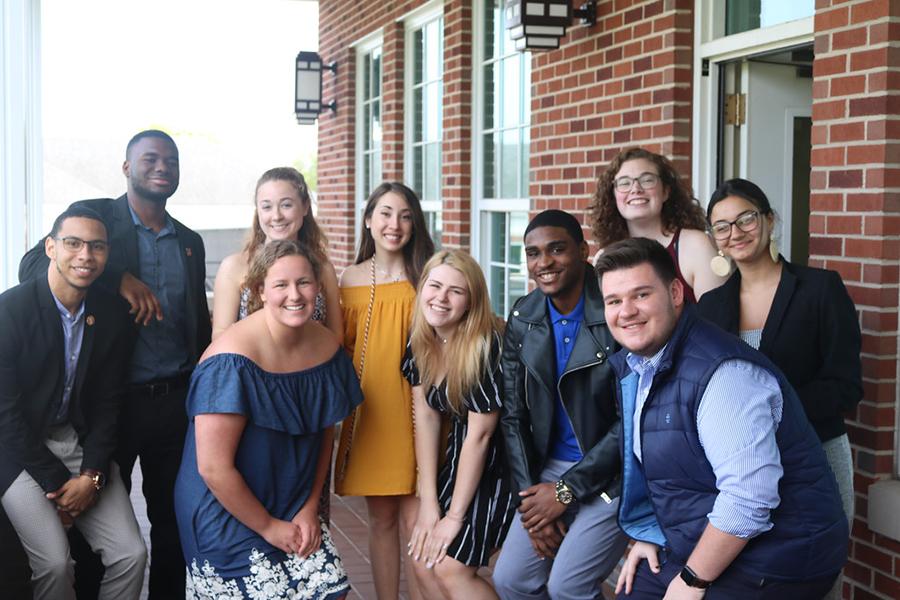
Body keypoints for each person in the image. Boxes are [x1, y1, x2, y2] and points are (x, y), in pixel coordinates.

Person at [595, 237, 849, 599]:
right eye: (614, 301)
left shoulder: (723, 373)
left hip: (781, 556)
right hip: (712, 541)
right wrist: (651, 533)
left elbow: (749, 498)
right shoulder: (641, 367)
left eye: (641, 295)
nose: (627, 311)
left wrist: (692, 581)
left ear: (676, 293)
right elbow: (664, 470)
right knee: (632, 589)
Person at [19, 129, 212, 599]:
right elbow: (32, 268)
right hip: (111, 404)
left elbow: (198, 326)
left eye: (171, 160)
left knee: (173, 521)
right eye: (150, 158)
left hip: (174, 402)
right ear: (127, 168)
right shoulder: (97, 218)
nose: (162, 166)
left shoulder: (189, 241)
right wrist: (117, 277)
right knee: (95, 526)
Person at [697, 178, 861, 600]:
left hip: (816, 455)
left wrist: (770, 414)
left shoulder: (821, 289)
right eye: (722, 226)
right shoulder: (710, 308)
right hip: (742, 467)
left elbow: (846, 386)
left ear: (770, 220)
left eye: (746, 218)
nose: (735, 232)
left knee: (818, 579)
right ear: (714, 238)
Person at [174, 240, 359, 599]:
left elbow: (324, 435)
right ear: (260, 291)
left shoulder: (327, 349)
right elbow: (213, 468)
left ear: (318, 287)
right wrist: (269, 528)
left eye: (304, 282)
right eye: (280, 285)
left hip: (292, 498)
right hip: (226, 508)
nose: (295, 295)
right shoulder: (229, 361)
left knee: (329, 588)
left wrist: (310, 507)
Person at [0, 206, 147, 599]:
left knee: (131, 554)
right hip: (17, 449)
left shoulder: (112, 314)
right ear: (50, 247)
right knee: (54, 562)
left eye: (96, 246)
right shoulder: (9, 311)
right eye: (73, 243)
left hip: (77, 440)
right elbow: (5, 415)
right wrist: (61, 484)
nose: (85, 255)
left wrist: (93, 475)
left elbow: (109, 403)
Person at [493, 210, 628, 600]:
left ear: (584, 251)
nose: (544, 262)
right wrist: (532, 502)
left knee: (567, 587)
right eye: (533, 253)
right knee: (511, 580)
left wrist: (565, 492)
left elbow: (629, 420)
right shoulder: (525, 316)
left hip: (613, 474)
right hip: (547, 469)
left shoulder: (612, 310)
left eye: (557, 249)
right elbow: (514, 416)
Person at [334, 181, 435, 600]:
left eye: (406, 215)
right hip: (373, 412)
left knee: (417, 523)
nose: (395, 224)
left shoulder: (428, 272)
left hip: (420, 412)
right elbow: (342, 347)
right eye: (386, 213)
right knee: (382, 521)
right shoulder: (350, 279)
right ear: (368, 220)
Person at [402, 249, 515, 599]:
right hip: (460, 456)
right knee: (423, 557)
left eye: (456, 291)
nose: (441, 298)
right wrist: (429, 503)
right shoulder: (424, 338)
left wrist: (453, 517)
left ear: (471, 301)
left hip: (503, 465)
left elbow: (482, 436)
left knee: (451, 567)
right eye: (434, 286)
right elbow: (426, 415)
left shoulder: (486, 346)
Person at [212, 166, 342, 342]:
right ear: (258, 212)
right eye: (266, 207)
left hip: (311, 364)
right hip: (252, 365)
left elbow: (336, 337)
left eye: (286, 205)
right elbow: (221, 337)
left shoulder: (323, 268)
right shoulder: (234, 267)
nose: (276, 216)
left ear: (305, 207)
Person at [588, 147, 725, 301]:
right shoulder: (604, 258)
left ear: (665, 191)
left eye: (647, 180)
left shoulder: (696, 246)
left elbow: (716, 319)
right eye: (624, 183)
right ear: (613, 196)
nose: (636, 189)